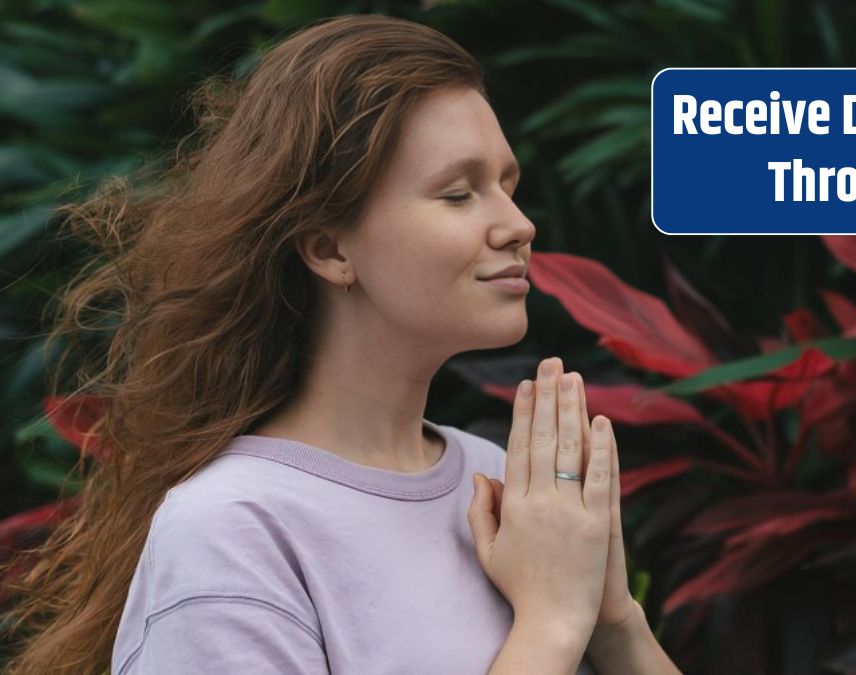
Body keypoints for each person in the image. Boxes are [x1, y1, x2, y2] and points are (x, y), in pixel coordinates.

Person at [1, 14, 682, 675]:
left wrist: (614, 620)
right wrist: (552, 624)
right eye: (457, 193)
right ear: (328, 247)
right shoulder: (233, 530)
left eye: (507, 187)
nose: (518, 224)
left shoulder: (498, 479)